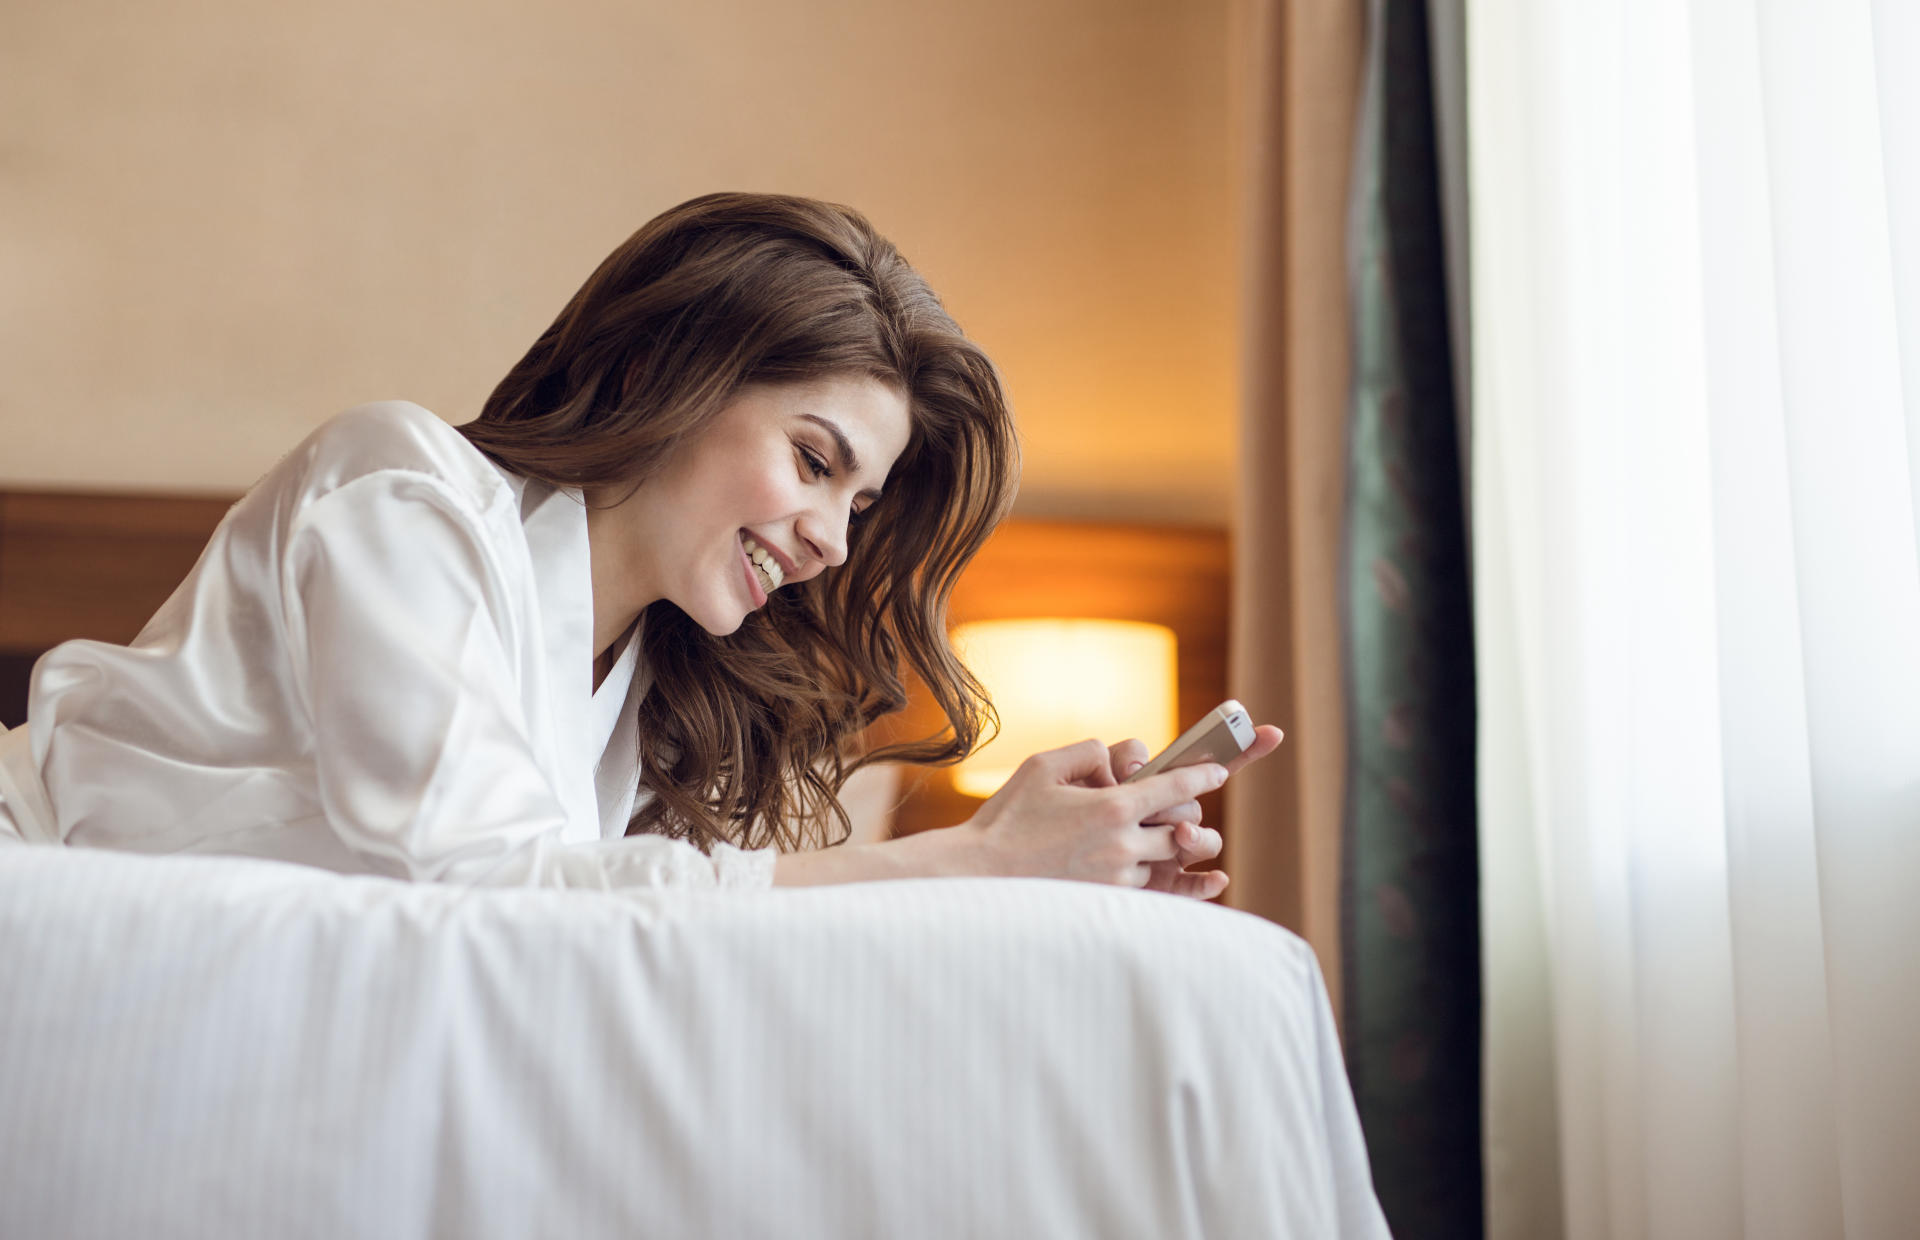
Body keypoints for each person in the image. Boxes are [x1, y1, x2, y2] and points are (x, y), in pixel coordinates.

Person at [0, 191, 1281, 896]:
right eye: (815, 461)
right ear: (678, 372)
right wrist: (968, 859)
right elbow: (488, 882)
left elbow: (644, 926)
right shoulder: (396, 488)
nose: (833, 540)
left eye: (859, 504)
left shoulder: (640, 695)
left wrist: (1021, 881)